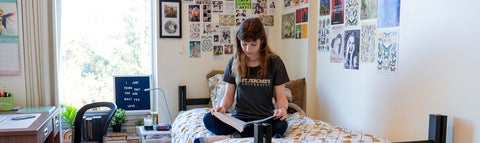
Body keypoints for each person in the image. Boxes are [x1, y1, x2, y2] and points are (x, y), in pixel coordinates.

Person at [197, 17, 290, 143]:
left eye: (253, 44)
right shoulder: (234, 62)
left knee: (281, 125)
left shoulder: (275, 62)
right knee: (209, 119)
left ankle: (238, 135)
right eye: (244, 44)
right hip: (238, 120)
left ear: (262, 41)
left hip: (265, 119)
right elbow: (229, 96)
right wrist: (222, 108)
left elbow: (281, 97)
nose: (248, 49)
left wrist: (283, 110)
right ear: (239, 41)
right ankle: (254, 133)